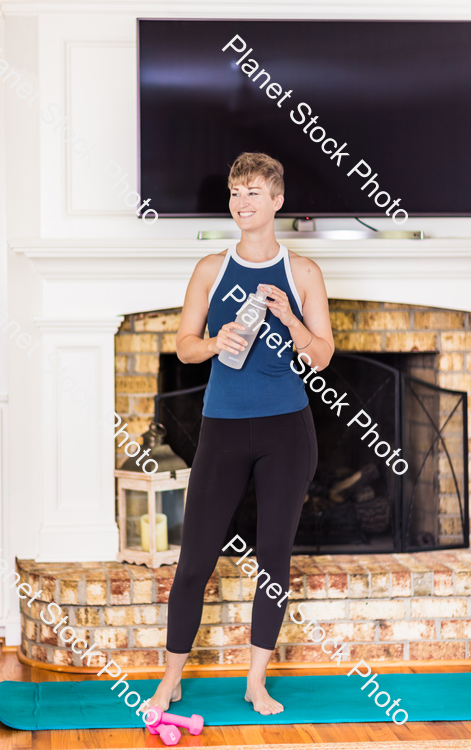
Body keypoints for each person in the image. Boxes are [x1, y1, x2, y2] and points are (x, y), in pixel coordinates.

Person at [148, 152, 334, 716]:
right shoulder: (211, 267)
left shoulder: (302, 272)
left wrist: (291, 320)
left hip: (287, 430)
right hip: (222, 427)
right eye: (235, 192)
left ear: (277, 201)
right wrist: (216, 340)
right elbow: (183, 345)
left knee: (274, 560)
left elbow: (322, 356)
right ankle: (170, 680)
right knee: (195, 562)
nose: (242, 202)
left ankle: (255, 681)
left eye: (254, 192)